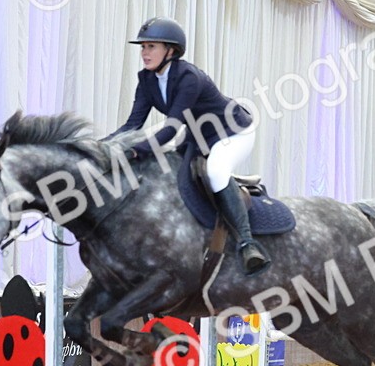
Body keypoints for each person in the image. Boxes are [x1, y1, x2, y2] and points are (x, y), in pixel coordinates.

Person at [110, 17, 269, 275]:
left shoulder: (188, 77)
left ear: (170, 51)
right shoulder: (147, 80)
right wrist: (102, 147)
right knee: (168, 175)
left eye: (151, 47)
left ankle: (247, 244)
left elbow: (171, 129)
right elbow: (132, 125)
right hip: (198, 135)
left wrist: (135, 150)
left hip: (233, 131)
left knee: (216, 171)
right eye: (143, 47)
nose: (144, 53)